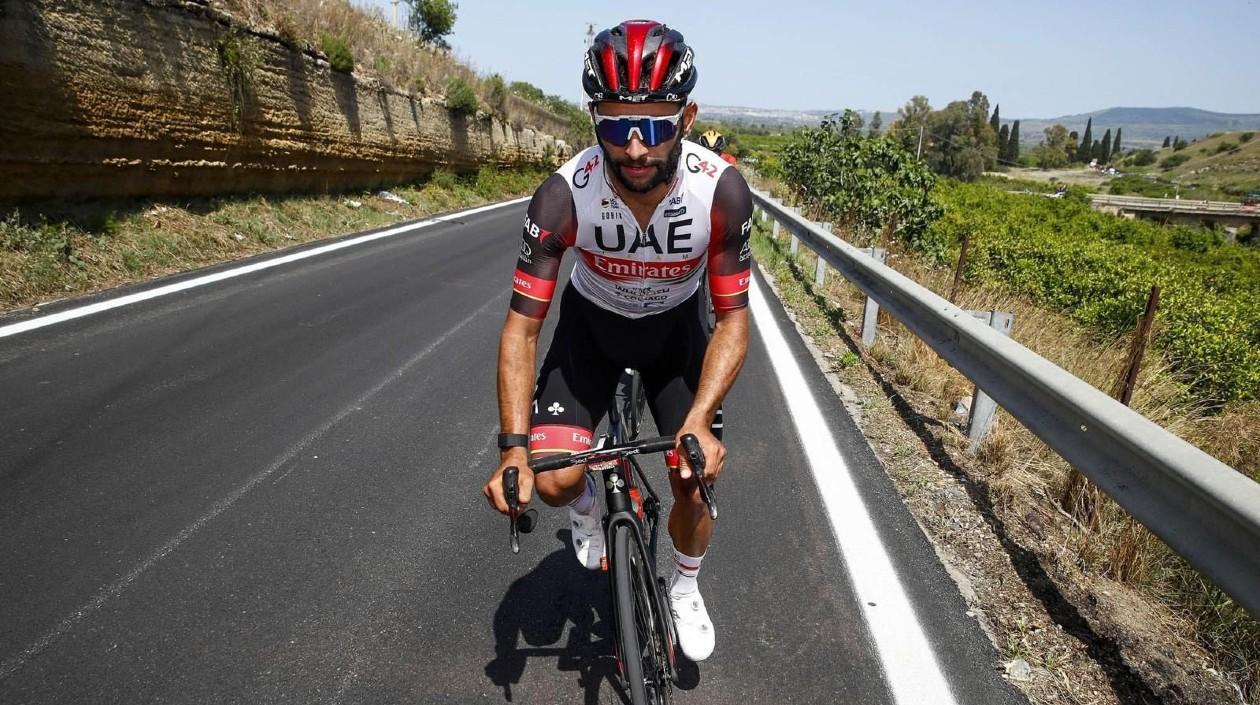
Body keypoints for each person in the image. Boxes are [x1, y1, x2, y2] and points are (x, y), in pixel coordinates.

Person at [482, 19, 752, 663]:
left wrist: (700, 423)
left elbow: (733, 321)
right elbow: (522, 328)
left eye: (655, 127)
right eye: (615, 126)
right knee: (551, 481)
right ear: (593, 120)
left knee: (691, 475)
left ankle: (685, 584)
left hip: (674, 336)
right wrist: (513, 450)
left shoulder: (720, 191)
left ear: (686, 118)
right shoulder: (562, 196)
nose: (634, 148)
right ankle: (584, 507)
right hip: (592, 330)